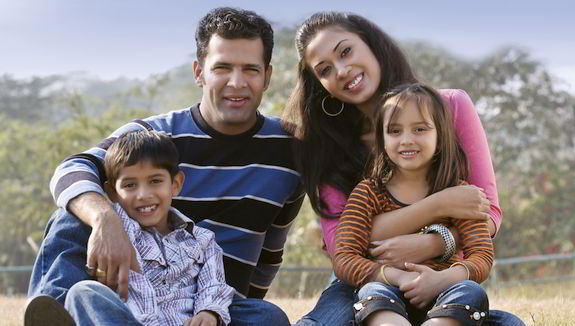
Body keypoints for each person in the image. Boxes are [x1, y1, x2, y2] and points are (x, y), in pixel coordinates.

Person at [25, 7, 303, 326]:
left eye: (250, 70)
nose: (237, 82)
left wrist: (215, 311)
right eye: (222, 68)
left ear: (267, 76)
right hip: (137, 298)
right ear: (199, 73)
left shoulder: (290, 148)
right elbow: (72, 168)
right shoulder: (155, 137)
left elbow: (270, 252)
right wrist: (104, 220)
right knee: (74, 209)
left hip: (212, 307)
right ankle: (57, 315)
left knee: (267, 316)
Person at [283, 11, 524, 326]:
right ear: (319, 84)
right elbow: (340, 243)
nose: (341, 70)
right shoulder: (325, 146)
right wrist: (439, 205)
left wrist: (433, 243)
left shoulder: (451, 106)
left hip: (441, 276)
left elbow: (486, 211)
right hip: (366, 277)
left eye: (345, 51)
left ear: (373, 45)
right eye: (325, 69)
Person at [334, 83, 494, 326]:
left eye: (420, 129)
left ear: (440, 137)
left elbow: (481, 255)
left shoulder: (458, 195)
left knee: (472, 292)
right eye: (395, 131)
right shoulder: (367, 193)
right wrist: (396, 277)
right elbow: (344, 259)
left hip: (444, 295)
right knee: (371, 293)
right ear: (383, 140)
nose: (407, 140)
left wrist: (443, 280)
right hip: (387, 293)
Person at [72, 130, 234, 325]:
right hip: (131, 321)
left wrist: (209, 313)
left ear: (175, 184)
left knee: (264, 314)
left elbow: (213, 284)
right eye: (130, 185)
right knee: (82, 293)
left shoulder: (202, 240)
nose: (143, 195)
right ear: (112, 192)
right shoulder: (117, 234)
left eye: (155, 181)